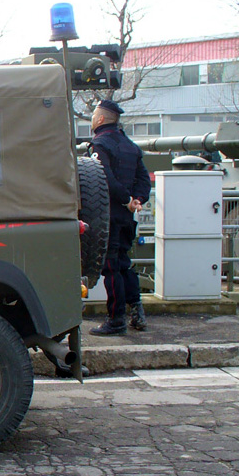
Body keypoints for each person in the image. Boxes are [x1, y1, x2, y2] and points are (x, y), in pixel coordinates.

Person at [88, 99, 151, 335]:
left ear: (101, 119)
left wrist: (126, 200)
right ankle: (137, 313)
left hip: (109, 215)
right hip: (127, 216)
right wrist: (137, 200)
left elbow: (105, 178)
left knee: (111, 268)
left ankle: (116, 319)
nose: (92, 119)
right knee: (125, 264)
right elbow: (144, 180)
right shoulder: (131, 146)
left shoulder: (100, 144)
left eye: (94, 115)